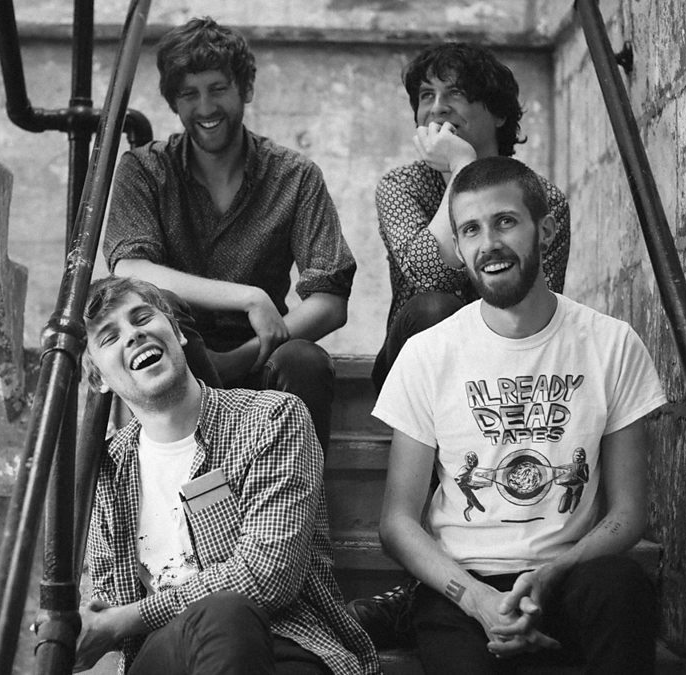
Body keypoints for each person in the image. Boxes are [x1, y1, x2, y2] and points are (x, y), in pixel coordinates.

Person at [373, 156, 665, 673]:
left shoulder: (611, 344)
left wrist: (553, 574)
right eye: (471, 229)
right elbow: (397, 523)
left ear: (545, 230)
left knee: (623, 586)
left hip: (569, 575)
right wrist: (477, 599)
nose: (489, 243)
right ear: (458, 247)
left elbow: (627, 513)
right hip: (461, 586)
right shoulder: (427, 353)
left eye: (505, 221)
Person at [75, 276, 378, 675]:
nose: (133, 335)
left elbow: (267, 576)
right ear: (97, 378)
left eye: (142, 318)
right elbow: (108, 601)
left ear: (178, 332)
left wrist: (127, 618)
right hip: (166, 656)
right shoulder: (107, 468)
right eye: (110, 337)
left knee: (225, 611)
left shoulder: (270, 419)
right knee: (220, 611)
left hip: (284, 646)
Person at [104, 17, 356, 453]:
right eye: (189, 94)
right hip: (175, 358)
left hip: (263, 356)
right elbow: (130, 267)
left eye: (217, 89)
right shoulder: (144, 169)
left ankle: (301, 492)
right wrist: (248, 297)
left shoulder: (294, 175)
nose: (205, 107)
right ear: (174, 102)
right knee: (157, 325)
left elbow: (330, 300)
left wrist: (240, 357)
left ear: (246, 89)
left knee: (304, 361)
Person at [373, 42, 571, 390]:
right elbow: (431, 278)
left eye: (456, 93)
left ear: (498, 113)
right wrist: (462, 166)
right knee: (435, 309)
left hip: (508, 368)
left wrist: (464, 166)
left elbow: (535, 307)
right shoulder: (402, 186)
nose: (437, 108)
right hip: (413, 374)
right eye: (426, 95)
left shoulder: (543, 199)